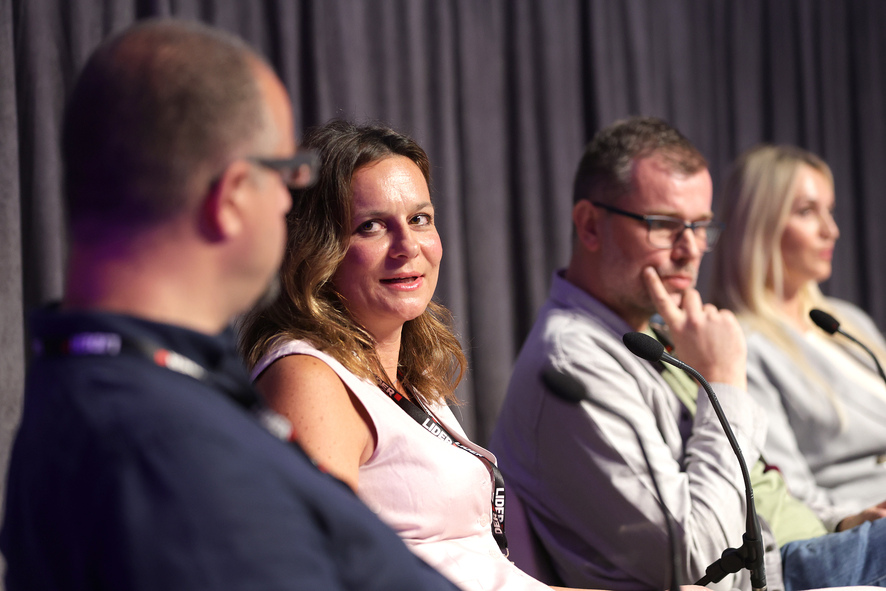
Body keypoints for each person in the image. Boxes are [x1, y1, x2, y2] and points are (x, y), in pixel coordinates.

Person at [0, 20, 463, 591]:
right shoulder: (171, 452)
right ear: (234, 196)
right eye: (287, 175)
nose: (289, 207)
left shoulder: (132, 384)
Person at [489, 116, 886, 591]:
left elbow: (760, 485)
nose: (691, 250)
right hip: (774, 577)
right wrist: (724, 382)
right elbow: (699, 560)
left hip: (809, 549)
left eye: (700, 227)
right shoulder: (572, 364)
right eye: (664, 226)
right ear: (590, 225)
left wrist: (840, 521)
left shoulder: (652, 333)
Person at [239, 119, 612, 591]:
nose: (408, 247)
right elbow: (313, 572)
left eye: (420, 219)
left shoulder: (401, 381)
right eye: (371, 226)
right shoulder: (308, 378)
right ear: (317, 249)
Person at [709, 144, 886, 529]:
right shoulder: (740, 345)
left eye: (830, 210)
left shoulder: (847, 321)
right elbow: (786, 490)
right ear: (758, 225)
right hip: (861, 528)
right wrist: (849, 520)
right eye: (807, 212)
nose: (831, 231)